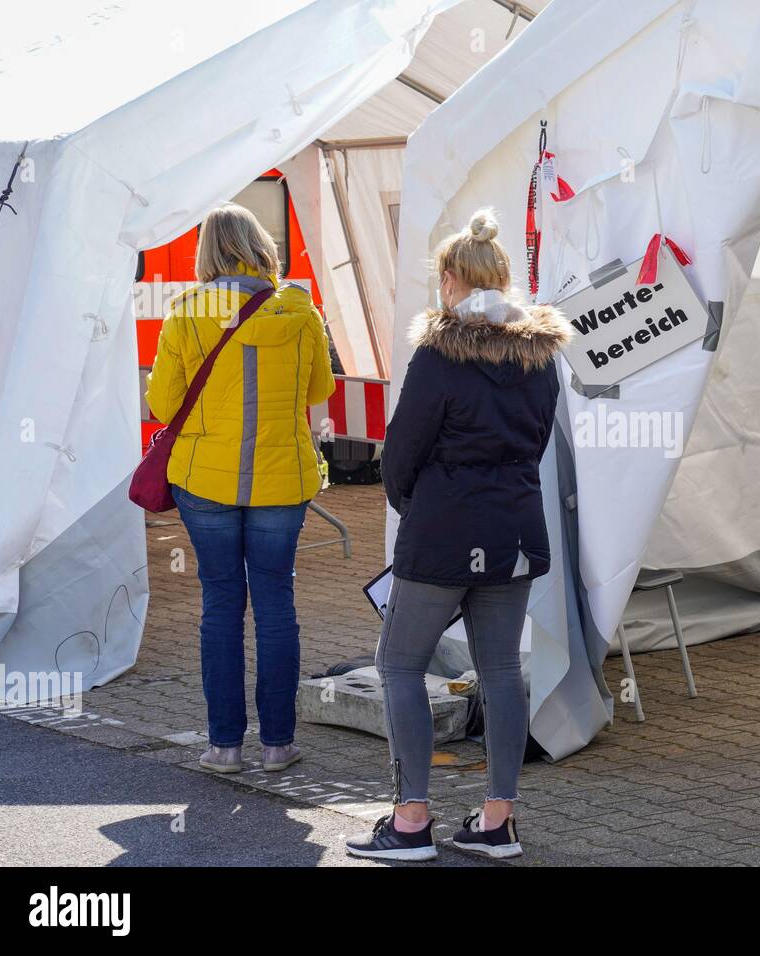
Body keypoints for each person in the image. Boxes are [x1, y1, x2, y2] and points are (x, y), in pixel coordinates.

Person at [346, 209, 572, 862]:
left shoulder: (439, 353)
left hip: (443, 532)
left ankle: (411, 821)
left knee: (399, 664)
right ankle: (497, 820)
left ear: (449, 278)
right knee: (503, 669)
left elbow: (399, 456)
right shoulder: (540, 355)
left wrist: (417, 504)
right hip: (515, 531)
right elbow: (536, 443)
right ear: (501, 276)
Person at [145, 202, 336, 776]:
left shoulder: (186, 312)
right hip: (283, 479)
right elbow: (320, 387)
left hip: (205, 480)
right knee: (277, 604)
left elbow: (162, 402)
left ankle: (224, 747)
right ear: (261, 247)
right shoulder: (301, 311)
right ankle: (278, 745)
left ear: (207, 252)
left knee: (221, 604)